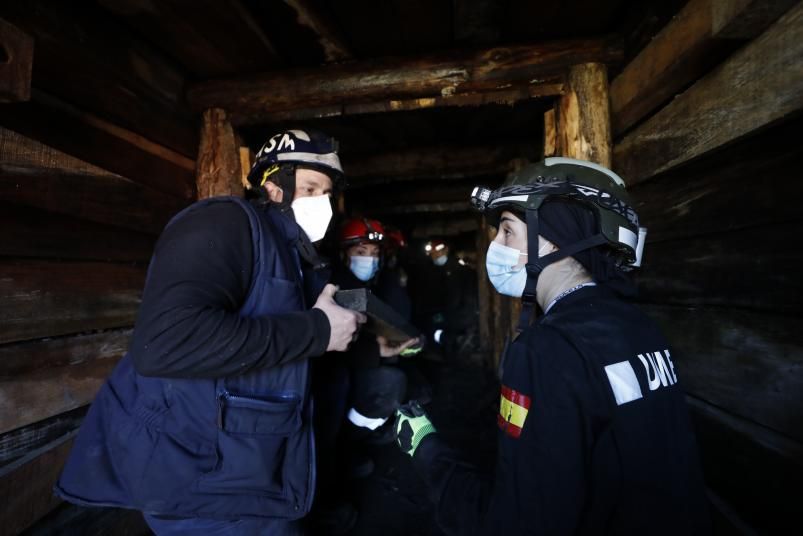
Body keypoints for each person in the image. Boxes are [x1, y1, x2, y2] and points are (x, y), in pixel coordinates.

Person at [55, 129, 366, 535]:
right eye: (310, 187)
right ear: (274, 189)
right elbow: (166, 343)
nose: (322, 203)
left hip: (247, 471)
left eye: (327, 193)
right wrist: (317, 331)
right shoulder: (225, 222)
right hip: (199, 478)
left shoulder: (296, 257)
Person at [394, 157, 711, 534]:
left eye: (507, 231)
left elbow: (514, 526)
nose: (495, 246)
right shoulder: (641, 328)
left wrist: (427, 450)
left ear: (556, 240)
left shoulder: (545, 351)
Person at [415, 238, 478, 361]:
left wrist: (443, 315)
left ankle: (447, 351)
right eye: (432, 252)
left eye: (439, 250)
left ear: (446, 250)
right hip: (449, 313)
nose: (436, 254)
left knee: (437, 325)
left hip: (460, 313)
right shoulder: (435, 270)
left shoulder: (458, 270)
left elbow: (457, 298)